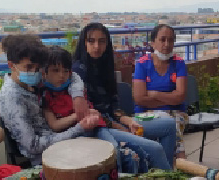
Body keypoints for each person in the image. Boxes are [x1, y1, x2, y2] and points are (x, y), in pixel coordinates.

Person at [40, 43, 173, 171]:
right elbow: (55, 125)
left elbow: (106, 111)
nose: (62, 75)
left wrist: (101, 117)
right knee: (114, 153)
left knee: (155, 147)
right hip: (79, 136)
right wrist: (81, 115)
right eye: (55, 70)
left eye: (65, 71)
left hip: (101, 127)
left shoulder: (75, 89)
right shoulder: (47, 96)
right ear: (44, 73)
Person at [72, 23, 176, 169]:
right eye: (91, 41)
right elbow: (91, 113)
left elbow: (114, 104)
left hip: (115, 122)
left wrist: (128, 121)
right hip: (98, 128)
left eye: (101, 41)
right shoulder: (78, 72)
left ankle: (165, 172)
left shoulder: (104, 67)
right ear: (84, 43)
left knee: (169, 125)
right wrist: (121, 127)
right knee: (155, 148)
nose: (97, 46)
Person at [0, 35, 101, 166]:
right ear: (11, 65)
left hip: (63, 140)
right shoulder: (12, 97)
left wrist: (78, 96)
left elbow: (72, 76)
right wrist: (79, 128)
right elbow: (33, 145)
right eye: (28, 67)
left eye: (37, 67)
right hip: (48, 157)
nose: (34, 72)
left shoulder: (31, 82)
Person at [132, 24, 188, 159]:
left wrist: (155, 94)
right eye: (162, 40)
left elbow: (180, 97)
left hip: (177, 113)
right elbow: (139, 98)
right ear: (153, 43)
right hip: (146, 114)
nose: (167, 44)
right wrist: (169, 99)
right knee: (169, 124)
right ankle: (178, 161)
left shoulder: (179, 63)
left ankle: (167, 165)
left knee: (172, 123)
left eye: (171, 40)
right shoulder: (142, 63)